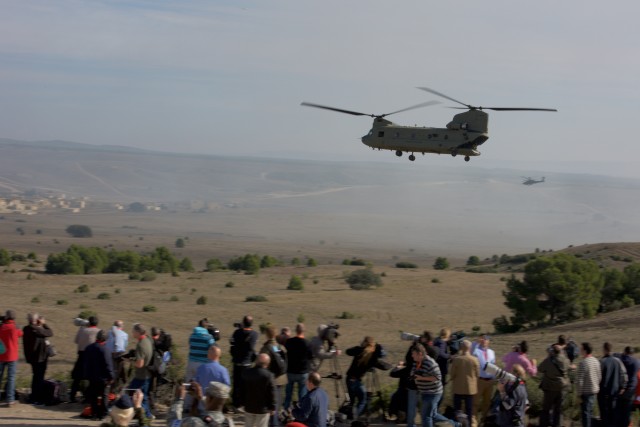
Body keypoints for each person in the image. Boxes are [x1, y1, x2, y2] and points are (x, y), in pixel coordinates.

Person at [411, 343, 459, 427]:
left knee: (426, 416)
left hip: (433, 393)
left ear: (420, 354)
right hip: (424, 392)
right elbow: (413, 372)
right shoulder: (416, 362)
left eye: (413, 354)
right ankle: (455, 424)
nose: (412, 356)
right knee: (433, 414)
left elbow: (437, 377)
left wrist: (421, 378)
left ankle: (455, 424)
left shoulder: (430, 363)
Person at [345, 336, 385, 419]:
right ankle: (354, 417)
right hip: (356, 381)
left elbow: (348, 351)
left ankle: (349, 417)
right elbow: (383, 365)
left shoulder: (359, 351)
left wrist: (360, 347)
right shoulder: (372, 358)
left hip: (349, 379)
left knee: (352, 402)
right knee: (363, 399)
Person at [166, 381, 234, 427]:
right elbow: (210, 413)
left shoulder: (194, 422)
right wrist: (199, 398)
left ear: (209, 398)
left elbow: (172, 423)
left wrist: (178, 400)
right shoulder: (228, 423)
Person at [22, 312, 53, 405]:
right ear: (36, 320)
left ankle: (33, 397)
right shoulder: (38, 330)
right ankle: (37, 399)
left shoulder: (26, 329)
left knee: (35, 377)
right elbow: (50, 332)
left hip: (31, 358)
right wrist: (44, 324)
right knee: (39, 378)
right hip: (40, 358)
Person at [260, 325, 288, 426]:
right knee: (277, 404)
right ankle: (275, 422)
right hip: (281, 378)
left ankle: (273, 424)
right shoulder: (281, 347)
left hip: (270, 380)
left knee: (270, 405)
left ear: (266, 335)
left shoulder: (265, 348)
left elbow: (260, 364)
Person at [230, 315, 259, 410]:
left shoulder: (236, 332)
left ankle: (235, 404)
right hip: (247, 363)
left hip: (237, 362)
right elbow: (252, 348)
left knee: (236, 384)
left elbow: (232, 343)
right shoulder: (254, 334)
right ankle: (244, 404)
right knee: (246, 385)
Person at [85, 329, 114, 420]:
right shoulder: (105, 350)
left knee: (93, 396)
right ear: (105, 339)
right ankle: (103, 414)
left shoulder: (89, 348)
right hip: (103, 378)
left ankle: (94, 413)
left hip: (92, 376)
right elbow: (108, 365)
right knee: (104, 396)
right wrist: (111, 376)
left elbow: (86, 363)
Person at [537, 344, 570, 427]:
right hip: (562, 388)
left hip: (550, 388)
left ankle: (544, 424)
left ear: (552, 351)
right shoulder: (566, 360)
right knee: (558, 410)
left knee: (546, 409)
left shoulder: (549, 360)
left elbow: (540, 369)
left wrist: (549, 356)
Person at [449, 339, 480, 427]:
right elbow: (478, 374)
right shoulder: (474, 360)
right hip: (470, 389)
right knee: (469, 411)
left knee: (457, 410)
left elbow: (451, 375)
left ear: (461, 348)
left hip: (458, 388)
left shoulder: (457, 360)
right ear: (470, 348)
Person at [70, 315, 100, 402]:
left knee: (77, 378)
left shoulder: (82, 330)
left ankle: (72, 395)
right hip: (92, 357)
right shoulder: (98, 331)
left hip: (81, 355)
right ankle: (87, 397)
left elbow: (76, 341)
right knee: (91, 378)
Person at [127, 323, 154, 419]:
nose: (132, 333)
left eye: (133, 331)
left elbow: (140, 364)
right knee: (144, 396)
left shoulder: (140, 345)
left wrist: (130, 361)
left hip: (141, 375)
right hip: (147, 374)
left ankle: (142, 416)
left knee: (133, 394)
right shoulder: (148, 340)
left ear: (138, 332)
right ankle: (147, 415)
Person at [284, 323, 312, 411]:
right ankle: (301, 414)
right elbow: (310, 356)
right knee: (302, 396)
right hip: (302, 373)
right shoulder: (307, 343)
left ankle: (285, 411)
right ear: (304, 331)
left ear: (296, 331)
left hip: (290, 371)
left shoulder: (289, 341)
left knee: (288, 395)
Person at [243, 353, 276, 427]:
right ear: (267, 364)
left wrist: (242, 402)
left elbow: (242, 389)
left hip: (249, 407)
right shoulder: (269, 375)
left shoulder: (246, 372)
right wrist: (272, 407)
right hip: (263, 409)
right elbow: (271, 393)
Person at [598, 342, 627, 427]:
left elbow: (598, 377)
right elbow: (623, 375)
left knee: (604, 414)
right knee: (613, 413)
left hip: (603, 391)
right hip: (615, 391)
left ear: (604, 350)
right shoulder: (618, 361)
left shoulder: (602, 362)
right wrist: (623, 387)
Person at [0, 309, 23, 406]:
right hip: (12, 356)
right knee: (11, 378)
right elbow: (21, 334)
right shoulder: (15, 328)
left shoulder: (1, 327)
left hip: (1, 355)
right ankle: (10, 399)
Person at [576, 342, 601, 427]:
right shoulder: (596, 361)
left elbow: (580, 380)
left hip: (585, 392)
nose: (580, 351)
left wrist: (578, 394)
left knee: (585, 414)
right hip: (594, 391)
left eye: (581, 349)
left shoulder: (583, 363)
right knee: (590, 413)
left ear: (585, 350)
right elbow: (599, 376)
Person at [472, 334, 496, 423]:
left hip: (490, 381)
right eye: (482, 339)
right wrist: (476, 342)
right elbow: (471, 350)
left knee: (487, 403)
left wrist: (493, 378)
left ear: (488, 341)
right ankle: (473, 422)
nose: (484, 340)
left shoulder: (491, 352)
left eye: (486, 339)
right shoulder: (476, 351)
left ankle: (484, 421)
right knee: (475, 402)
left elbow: (493, 365)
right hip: (480, 380)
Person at [616, 346, 640, 427]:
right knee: (627, 413)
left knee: (619, 412)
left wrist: (621, 355)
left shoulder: (621, 360)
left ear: (625, 352)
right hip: (632, 390)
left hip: (621, 389)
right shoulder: (637, 362)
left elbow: (615, 356)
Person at [106, 320, 128, 392]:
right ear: (121, 327)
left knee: (112, 372)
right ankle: (122, 389)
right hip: (120, 355)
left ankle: (111, 390)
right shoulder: (125, 334)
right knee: (120, 373)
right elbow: (125, 345)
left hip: (110, 354)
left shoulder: (108, 333)